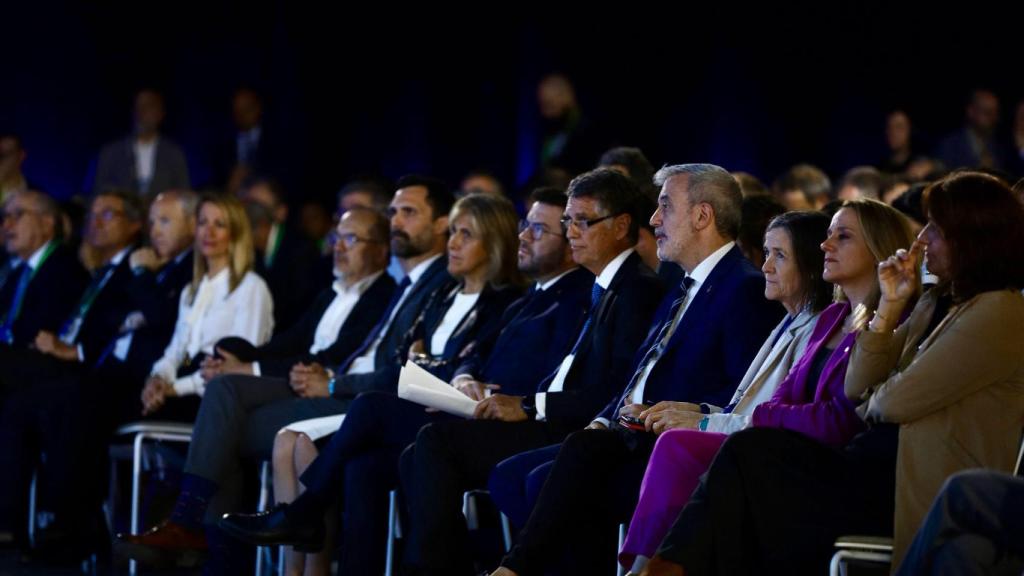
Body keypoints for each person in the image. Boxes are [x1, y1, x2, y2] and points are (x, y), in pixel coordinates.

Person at [644, 172, 1024, 575]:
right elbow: (858, 385)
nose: (923, 238)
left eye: (937, 228)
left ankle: (663, 570)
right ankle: (664, 568)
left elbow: (890, 402)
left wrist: (877, 395)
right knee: (750, 469)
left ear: (971, 237)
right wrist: (888, 308)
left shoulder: (999, 312)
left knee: (751, 462)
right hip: (868, 462)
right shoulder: (934, 303)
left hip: (907, 479)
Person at [221, 194, 534, 576]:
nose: (452, 242)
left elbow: (461, 361)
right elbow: (406, 359)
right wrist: (430, 364)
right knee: (361, 467)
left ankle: (304, 511)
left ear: (495, 242)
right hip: (418, 406)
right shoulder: (442, 294)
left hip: (454, 417)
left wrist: (430, 365)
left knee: (369, 405)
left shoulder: (503, 301)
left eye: (465, 234)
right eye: (452, 231)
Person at [619, 202, 911, 573]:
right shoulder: (833, 316)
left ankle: (653, 567)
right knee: (678, 448)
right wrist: (764, 416)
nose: (826, 245)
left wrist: (750, 418)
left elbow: (841, 419)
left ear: (878, 248)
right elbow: (781, 399)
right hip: (786, 445)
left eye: (843, 236)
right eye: (828, 235)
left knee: (717, 450)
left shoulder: (890, 324)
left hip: (832, 465)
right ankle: (646, 564)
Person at [138, 194, 273, 421]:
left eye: (219, 225)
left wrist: (174, 389)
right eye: (203, 223)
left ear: (235, 233)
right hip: (182, 382)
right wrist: (157, 379)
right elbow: (176, 351)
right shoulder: (191, 290)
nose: (208, 232)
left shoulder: (251, 287)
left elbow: (240, 363)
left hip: (215, 396)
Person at [94, 89, 190, 197]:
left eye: (149, 106)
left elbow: (184, 195)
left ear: (160, 113)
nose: (142, 113)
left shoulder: (174, 155)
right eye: (138, 107)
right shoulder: (111, 154)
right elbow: (98, 195)